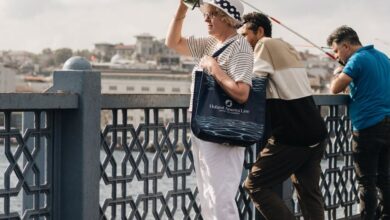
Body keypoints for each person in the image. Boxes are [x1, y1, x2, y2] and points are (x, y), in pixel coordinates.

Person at [165, 0, 254, 219]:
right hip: (205, 128)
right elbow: (173, 42)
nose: (205, 19)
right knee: (209, 194)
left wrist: (214, 68)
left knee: (221, 197)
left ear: (227, 18)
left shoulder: (240, 46)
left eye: (211, 14)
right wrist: (183, 7)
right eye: (205, 13)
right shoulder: (211, 44)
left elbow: (242, 93)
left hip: (223, 131)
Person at [240, 12, 328, 220]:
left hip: (292, 134)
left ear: (259, 31)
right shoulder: (287, 48)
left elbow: (255, 84)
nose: (241, 41)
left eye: (244, 35)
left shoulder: (264, 45)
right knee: (309, 193)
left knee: (255, 184)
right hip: (315, 130)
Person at [327, 25, 390, 220]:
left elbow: (335, 89)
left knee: (367, 181)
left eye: (336, 51)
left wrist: (338, 71)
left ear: (346, 46)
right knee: (384, 178)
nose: (337, 55)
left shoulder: (357, 59)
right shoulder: (383, 58)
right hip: (387, 124)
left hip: (367, 127)